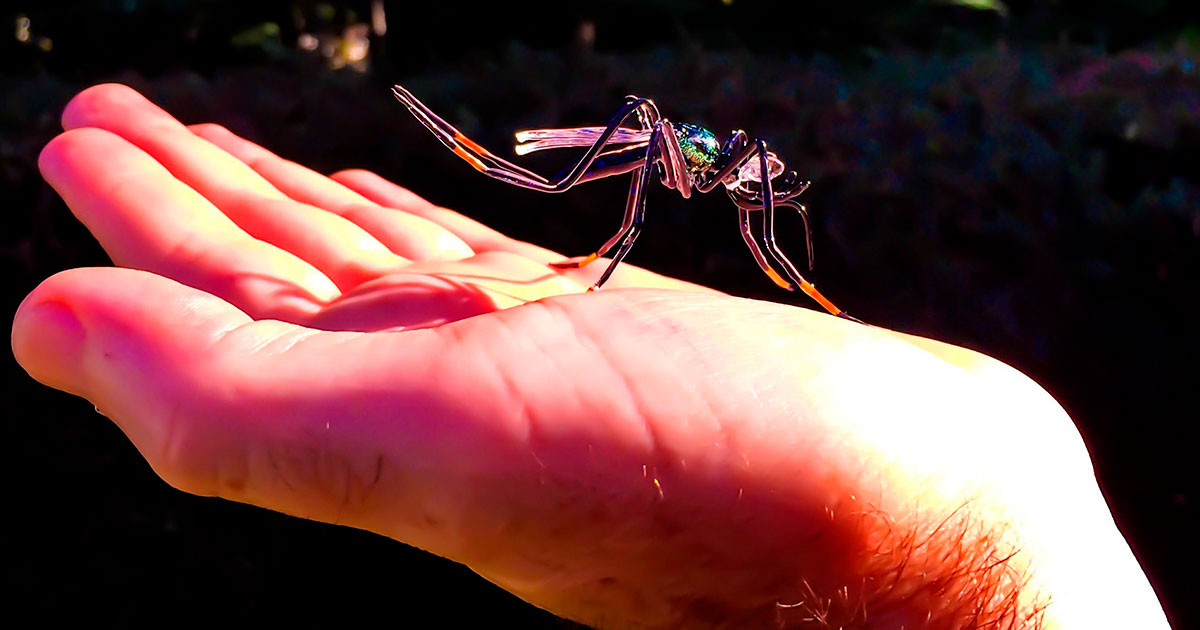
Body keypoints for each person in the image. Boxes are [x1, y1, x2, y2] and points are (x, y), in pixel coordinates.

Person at [12, 84, 1172, 629]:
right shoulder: (697, 160)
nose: (772, 197)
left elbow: (755, 198)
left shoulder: (751, 179)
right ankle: (483, 151)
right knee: (565, 180)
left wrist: (972, 554)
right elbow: (693, 165)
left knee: (593, 187)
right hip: (637, 156)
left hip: (663, 164)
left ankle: (523, 175)